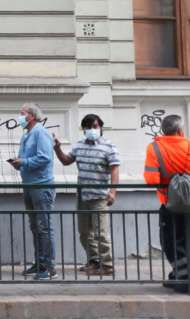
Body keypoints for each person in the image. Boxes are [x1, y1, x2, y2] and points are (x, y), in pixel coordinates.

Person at [143, 114, 190, 292]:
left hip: (170, 203)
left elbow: (151, 179)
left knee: (170, 241)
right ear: (181, 130)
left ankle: (189, 278)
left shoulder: (154, 147)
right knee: (187, 238)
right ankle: (179, 276)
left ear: (163, 130)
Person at [53, 114, 120, 276]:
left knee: (101, 232)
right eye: (88, 127)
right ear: (83, 129)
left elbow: (114, 169)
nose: (92, 130)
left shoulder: (109, 146)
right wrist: (57, 148)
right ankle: (94, 261)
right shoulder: (80, 145)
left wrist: (113, 191)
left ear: (101, 127)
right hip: (83, 197)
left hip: (100, 197)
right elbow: (67, 161)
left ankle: (107, 265)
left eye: (95, 126)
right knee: (85, 232)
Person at [8, 103, 56, 280]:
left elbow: (44, 157)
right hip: (29, 185)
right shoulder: (26, 135)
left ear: (32, 116)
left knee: (44, 227)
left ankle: (49, 267)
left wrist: (23, 162)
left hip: (41, 185)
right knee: (36, 227)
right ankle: (40, 263)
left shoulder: (41, 132)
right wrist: (18, 163)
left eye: (22, 113)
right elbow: (27, 159)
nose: (20, 117)